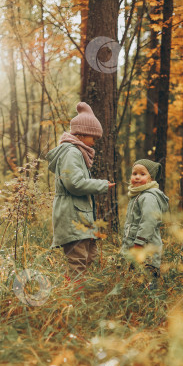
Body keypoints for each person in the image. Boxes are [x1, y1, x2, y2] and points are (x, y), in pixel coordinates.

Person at [45, 102, 115, 281]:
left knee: (89, 257)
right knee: (78, 262)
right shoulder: (72, 153)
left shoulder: (78, 152)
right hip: (72, 217)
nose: (94, 143)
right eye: (93, 138)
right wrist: (100, 185)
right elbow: (74, 184)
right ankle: (74, 300)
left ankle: (77, 294)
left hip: (80, 219)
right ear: (82, 134)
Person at [121, 159, 170, 289]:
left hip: (146, 249)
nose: (137, 177)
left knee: (147, 285)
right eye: (134, 173)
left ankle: (152, 305)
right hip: (136, 248)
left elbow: (149, 221)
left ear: (151, 178)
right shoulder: (138, 195)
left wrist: (139, 242)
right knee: (136, 283)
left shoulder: (148, 197)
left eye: (142, 174)